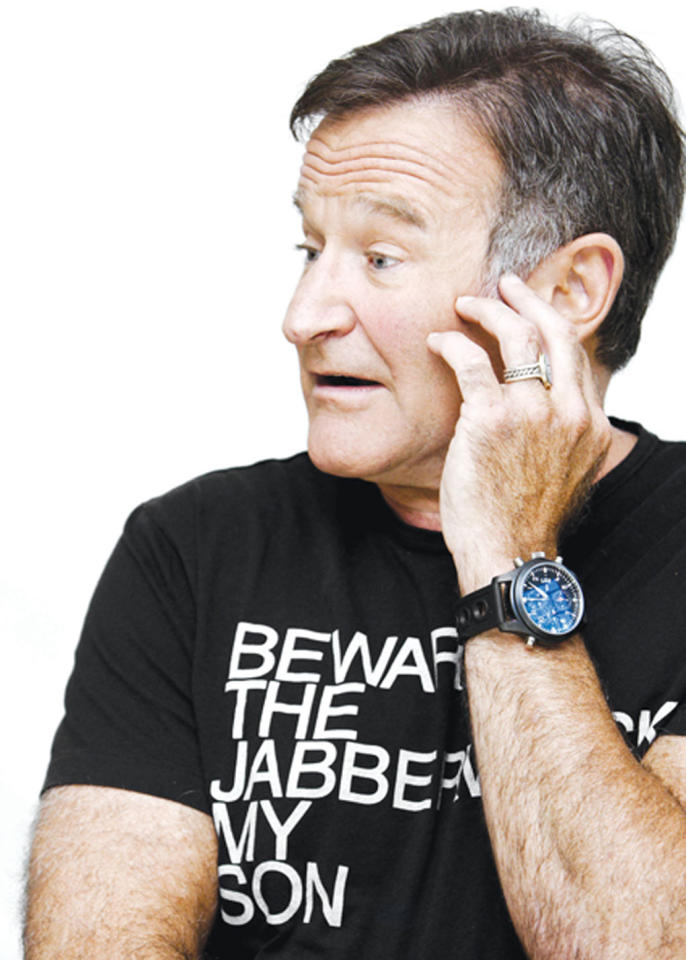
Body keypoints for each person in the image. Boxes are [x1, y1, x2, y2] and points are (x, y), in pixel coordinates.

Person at [24, 8, 686, 959]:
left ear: (569, 291)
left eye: (380, 257)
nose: (303, 317)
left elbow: (635, 942)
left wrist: (506, 552)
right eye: (310, 249)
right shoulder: (194, 549)